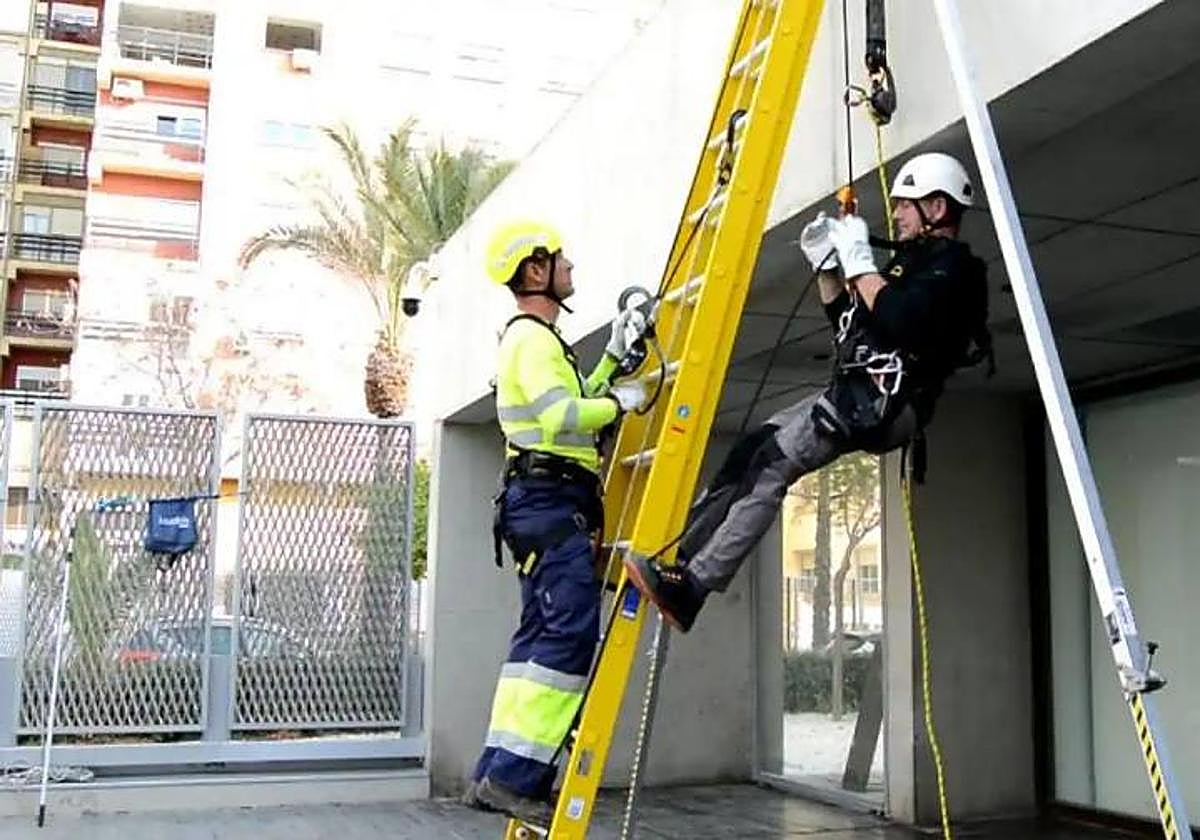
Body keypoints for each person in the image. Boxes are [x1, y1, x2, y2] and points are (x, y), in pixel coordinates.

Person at [624, 152, 992, 633]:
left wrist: (861, 264)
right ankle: (684, 554)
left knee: (774, 464)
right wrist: (828, 269)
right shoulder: (908, 266)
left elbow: (904, 320)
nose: (897, 214)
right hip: (861, 390)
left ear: (938, 208)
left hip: (890, 402)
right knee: (753, 447)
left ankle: (692, 589)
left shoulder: (955, 270)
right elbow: (850, 327)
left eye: (906, 205)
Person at [464, 220, 648, 823]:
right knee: (568, 635)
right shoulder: (531, 341)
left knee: (534, 644)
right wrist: (621, 402)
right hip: (547, 502)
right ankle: (517, 777)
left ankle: (497, 773)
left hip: (540, 502)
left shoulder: (538, 342)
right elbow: (562, 417)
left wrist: (616, 360)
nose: (571, 268)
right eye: (561, 260)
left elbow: (573, 399)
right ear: (536, 271)